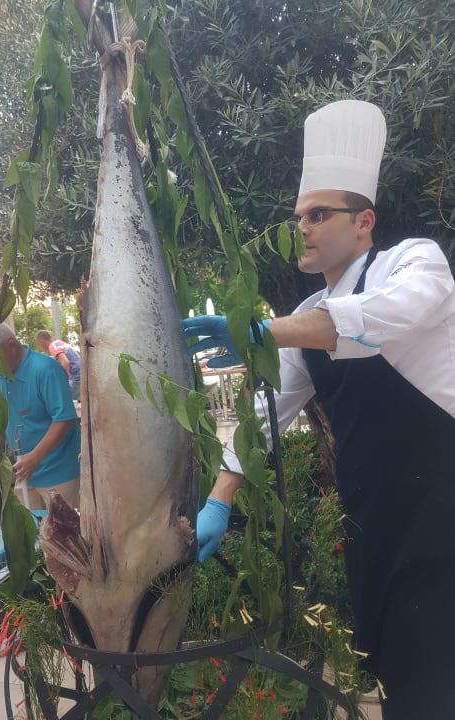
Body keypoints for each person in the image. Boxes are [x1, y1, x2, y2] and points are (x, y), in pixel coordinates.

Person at [184, 99, 455, 719]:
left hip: (440, 524)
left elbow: (393, 314)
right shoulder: (307, 318)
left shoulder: (413, 262)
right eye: (297, 217)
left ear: (364, 221)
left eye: (317, 214)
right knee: (396, 684)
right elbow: (264, 417)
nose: (300, 227)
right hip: (373, 530)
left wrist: (262, 332)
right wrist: (219, 500)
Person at [0, 323, 80, 510]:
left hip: (58, 474)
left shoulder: (46, 369)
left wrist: (35, 457)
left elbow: (64, 418)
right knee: (31, 526)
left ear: (11, 345)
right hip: (25, 474)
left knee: (63, 527)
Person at [35, 330, 81, 401]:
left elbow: (65, 362)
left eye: (38, 344)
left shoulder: (52, 346)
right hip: (81, 374)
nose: (39, 347)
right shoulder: (58, 343)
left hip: (76, 377)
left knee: (62, 399)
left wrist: (63, 379)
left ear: (41, 341)